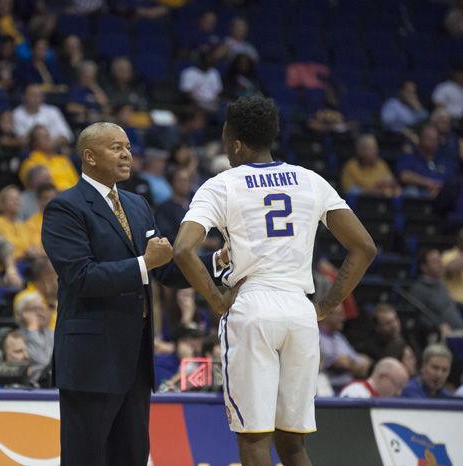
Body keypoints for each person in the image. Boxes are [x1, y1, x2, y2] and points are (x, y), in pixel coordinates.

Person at [173, 96, 376, 466]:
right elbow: (364, 247)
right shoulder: (311, 180)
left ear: (235, 143)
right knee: (293, 444)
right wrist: (327, 306)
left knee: (254, 440)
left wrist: (218, 301)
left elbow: (183, 249)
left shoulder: (223, 184)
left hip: (253, 305)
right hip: (300, 310)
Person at [41, 121, 225, 466]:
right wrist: (143, 263)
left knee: (132, 458)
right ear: (90, 157)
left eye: (127, 146)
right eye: (116, 147)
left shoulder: (137, 204)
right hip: (91, 360)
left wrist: (216, 261)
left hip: (136, 358)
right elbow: (81, 277)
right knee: (85, 459)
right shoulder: (65, 208)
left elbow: (165, 270)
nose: (127, 154)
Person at [408, 249, 463, 338]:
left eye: (440, 260)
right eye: (435, 261)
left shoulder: (442, 284)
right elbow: (418, 317)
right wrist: (437, 327)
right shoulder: (418, 289)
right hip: (439, 336)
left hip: (459, 331)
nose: (440, 264)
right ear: (424, 267)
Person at [319, 304, 372, 393]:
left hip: (347, 386)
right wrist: (355, 365)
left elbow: (364, 362)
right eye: (339, 314)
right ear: (327, 315)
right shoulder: (317, 335)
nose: (343, 318)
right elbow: (339, 363)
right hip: (329, 389)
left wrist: (352, 363)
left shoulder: (338, 336)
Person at [18, 125, 79, 192]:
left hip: (73, 197)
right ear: (34, 143)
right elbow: (36, 190)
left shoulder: (63, 159)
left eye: (48, 135)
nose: (48, 138)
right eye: (43, 137)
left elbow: (76, 183)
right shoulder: (30, 163)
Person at [12, 84, 73, 148]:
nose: (36, 98)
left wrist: (49, 143)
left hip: (55, 150)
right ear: (24, 96)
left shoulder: (53, 111)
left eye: (39, 95)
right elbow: (23, 141)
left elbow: (67, 136)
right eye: (33, 95)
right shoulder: (17, 114)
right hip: (30, 152)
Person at [14, 291, 54, 383]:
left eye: (42, 308)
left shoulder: (51, 334)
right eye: (34, 309)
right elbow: (42, 361)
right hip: (30, 388)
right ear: (20, 315)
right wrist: (32, 328)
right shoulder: (15, 337)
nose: (40, 313)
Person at [339, 357, 409, 398]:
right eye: (397, 386)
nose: (398, 393)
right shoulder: (355, 392)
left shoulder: (387, 401)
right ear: (383, 378)